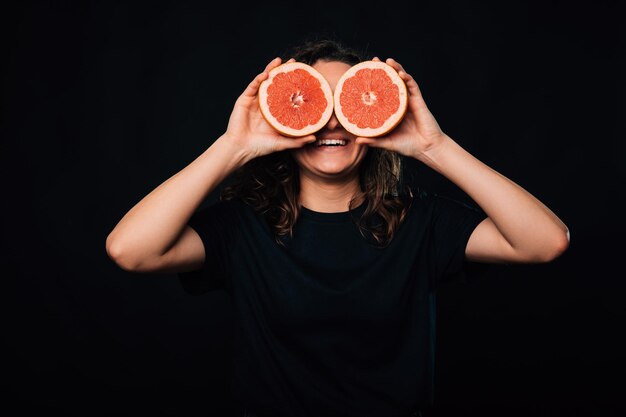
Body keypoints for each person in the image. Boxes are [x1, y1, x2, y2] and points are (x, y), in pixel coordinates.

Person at [105, 39, 570, 417]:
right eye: (312, 101)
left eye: (347, 102)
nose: (330, 119)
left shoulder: (421, 220)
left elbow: (545, 242)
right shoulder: (244, 227)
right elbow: (130, 250)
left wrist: (434, 146)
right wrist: (233, 147)